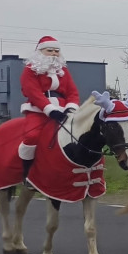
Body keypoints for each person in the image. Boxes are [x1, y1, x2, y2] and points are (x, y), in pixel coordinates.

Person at [18, 35, 80, 178]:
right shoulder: (30, 70)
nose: (54, 54)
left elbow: (72, 92)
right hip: (38, 109)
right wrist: (49, 110)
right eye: (50, 50)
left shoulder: (63, 71)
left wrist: (71, 108)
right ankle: (27, 173)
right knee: (31, 136)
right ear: (40, 52)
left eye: (56, 51)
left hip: (64, 109)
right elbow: (32, 92)